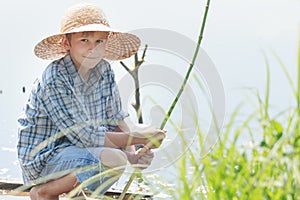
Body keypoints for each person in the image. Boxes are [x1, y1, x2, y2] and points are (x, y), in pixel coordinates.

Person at [17, 3, 166, 200]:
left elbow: (116, 118)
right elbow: (85, 136)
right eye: (84, 40)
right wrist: (138, 138)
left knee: (124, 150)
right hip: (44, 160)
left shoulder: (104, 71)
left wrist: (134, 153)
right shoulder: (55, 78)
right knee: (115, 158)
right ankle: (45, 191)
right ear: (66, 43)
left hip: (76, 150)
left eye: (99, 41)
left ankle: (74, 190)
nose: (92, 48)